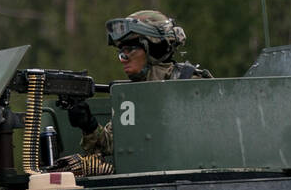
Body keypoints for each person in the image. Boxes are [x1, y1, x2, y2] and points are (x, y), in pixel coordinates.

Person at [56, 10, 212, 175]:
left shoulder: (191, 83)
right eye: (121, 52)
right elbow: (111, 145)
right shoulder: (131, 96)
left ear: (154, 47)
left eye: (131, 49)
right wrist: (88, 125)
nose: (124, 58)